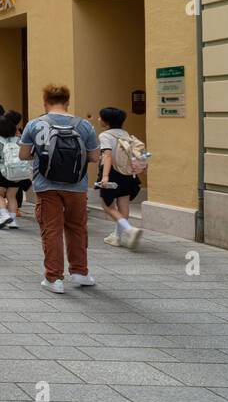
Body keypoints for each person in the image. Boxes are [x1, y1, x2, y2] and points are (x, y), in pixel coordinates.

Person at [20, 84, 100, 293]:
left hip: (46, 185)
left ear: (45, 102)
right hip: (77, 185)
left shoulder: (35, 125)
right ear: (67, 101)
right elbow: (94, 157)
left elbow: (23, 155)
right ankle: (80, 272)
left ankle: (54, 278)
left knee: (51, 230)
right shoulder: (84, 125)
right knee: (77, 228)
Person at [97, 106, 144, 250]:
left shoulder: (105, 135)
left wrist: (105, 176)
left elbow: (108, 155)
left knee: (107, 206)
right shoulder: (125, 134)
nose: (98, 119)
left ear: (106, 121)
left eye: (100, 117)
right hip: (128, 174)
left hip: (112, 173)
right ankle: (116, 237)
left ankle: (129, 229)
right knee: (124, 205)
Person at [0, 113, 27, 229]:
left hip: (1, 171)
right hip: (15, 172)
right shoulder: (18, 139)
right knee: (12, 196)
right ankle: (12, 220)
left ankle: (4, 215)